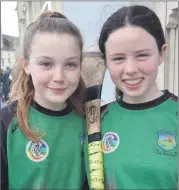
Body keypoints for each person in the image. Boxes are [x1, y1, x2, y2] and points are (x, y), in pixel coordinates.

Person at [84, 5, 178, 189]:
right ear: (106, 62)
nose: (131, 69)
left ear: (162, 53)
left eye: (142, 55)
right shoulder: (93, 121)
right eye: (118, 58)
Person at [0, 11, 88, 190]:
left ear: (80, 65)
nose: (59, 77)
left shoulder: (91, 119)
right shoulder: (6, 122)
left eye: (70, 64)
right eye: (46, 64)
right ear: (26, 65)